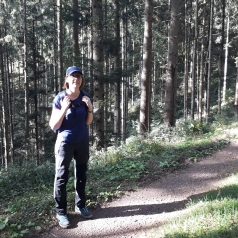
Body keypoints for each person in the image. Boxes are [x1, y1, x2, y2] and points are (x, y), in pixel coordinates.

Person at [49, 66, 93, 229]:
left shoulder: (85, 96)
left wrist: (89, 108)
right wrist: (65, 108)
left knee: (81, 174)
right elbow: (54, 125)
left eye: (79, 76)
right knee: (61, 177)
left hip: (82, 141)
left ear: (81, 80)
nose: (76, 79)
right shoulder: (60, 98)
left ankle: (80, 205)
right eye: (73, 76)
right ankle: (61, 211)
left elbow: (88, 122)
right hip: (65, 143)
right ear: (66, 80)